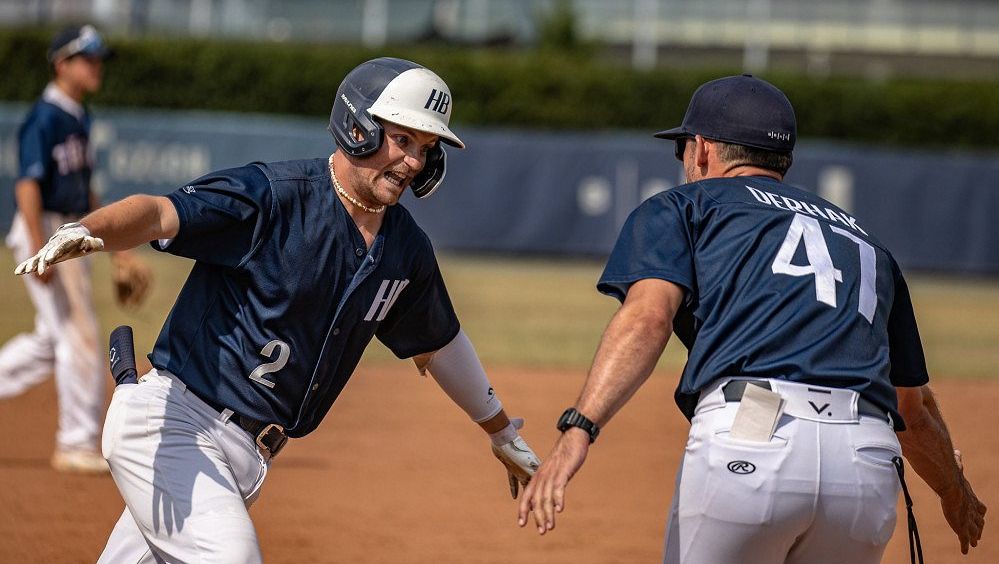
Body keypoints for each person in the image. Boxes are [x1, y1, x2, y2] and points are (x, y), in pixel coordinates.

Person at [16, 56, 540, 562]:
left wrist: (500, 431)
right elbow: (158, 212)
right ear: (358, 125)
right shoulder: (274, 196)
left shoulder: (405, 250)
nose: (413, 162)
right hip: (174, 425)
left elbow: (439, 343)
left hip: (242, 458)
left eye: (426, 148)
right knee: (232, 556)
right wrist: (90, 230)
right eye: (402, 140)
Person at [518, 75, 986, 563]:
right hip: (865, 462)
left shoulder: (684, 206)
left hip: (752, 437)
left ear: (701, 150)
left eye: (681, 148)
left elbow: (648, 319)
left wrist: (579, 430)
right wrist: (954, 491)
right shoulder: (867, 243)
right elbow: (911, 407)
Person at [0, 24, 150, 474]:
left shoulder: (79, 116)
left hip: (66, 229)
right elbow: (27, 184)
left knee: (51, 340)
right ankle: (75, 441)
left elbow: (86, 193)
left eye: (98, 58)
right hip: (43, 227)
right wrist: (37, 243)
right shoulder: (45, 117)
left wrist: (118, 249)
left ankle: (77, 438)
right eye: (87, 59)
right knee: (78, 336)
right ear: (61, 64)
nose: (96, 66)